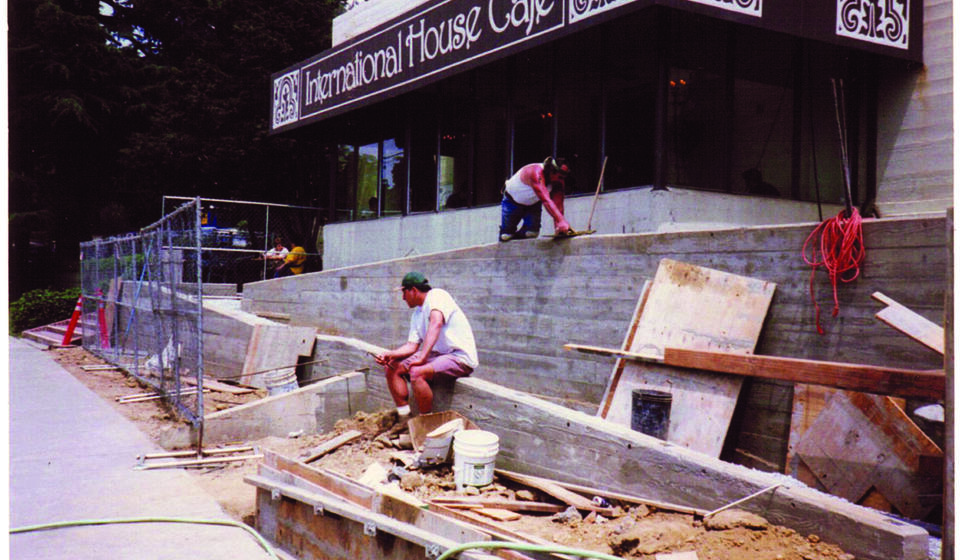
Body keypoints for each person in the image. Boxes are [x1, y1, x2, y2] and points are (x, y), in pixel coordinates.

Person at [375, 271, 478, 418]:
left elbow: (436, 322)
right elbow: (411, 346)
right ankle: (404, 418)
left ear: (414, 290)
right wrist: (388, 354)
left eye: (404, 292)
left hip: (458, 357)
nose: (403, 298)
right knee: (391, 366)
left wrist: (423, 357)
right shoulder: (417, 314)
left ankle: (425, 423)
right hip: (437, 355)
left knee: (417, 372)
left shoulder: (437, 295)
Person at [499, 156, 572, 241]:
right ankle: (507, 240)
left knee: (531, 233)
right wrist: (561, 222)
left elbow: (558, 205)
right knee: (506, 235)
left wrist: (559, 227)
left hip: (533, 204)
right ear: (552, 171)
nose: (561, 180)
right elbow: (546, 200)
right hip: (512, 201)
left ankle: (519, 244)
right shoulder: (536, 172)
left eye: (563, 177)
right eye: (560, 177)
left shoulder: (558, 182)